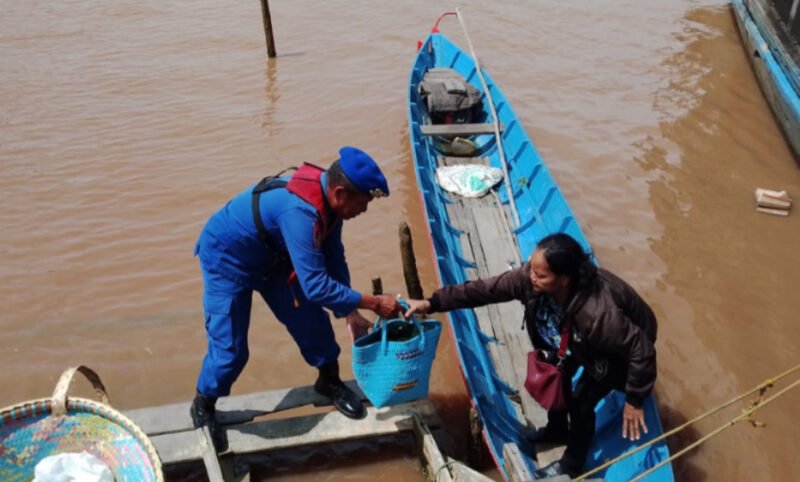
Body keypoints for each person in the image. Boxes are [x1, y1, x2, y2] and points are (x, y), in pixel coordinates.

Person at [191, 146, 403, 450]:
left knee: (311, 322)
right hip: (228, 260)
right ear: (340, 193)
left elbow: (334, 259)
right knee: (231, 349)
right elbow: (317, 285)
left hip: (274, 259)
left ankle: (328, 381)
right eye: (363, 202)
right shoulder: (301, 213)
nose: (364, 210)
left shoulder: (330, 207)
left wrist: (350, 313)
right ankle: (204, 404)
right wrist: (373, 302)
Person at [403, 232, 658, 478]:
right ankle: (558, 429)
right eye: (532, 270)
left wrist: (634, 400)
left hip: (613, 353)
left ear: (564, 279)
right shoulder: (530, 280)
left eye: (541, 275)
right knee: (557, 373)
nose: (531, 277)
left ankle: (572, 464)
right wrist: (432, 303)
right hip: (572, 339)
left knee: (582, 402)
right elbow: (485, 290)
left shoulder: (598, 314)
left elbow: (641, 350)